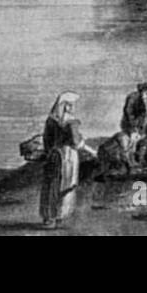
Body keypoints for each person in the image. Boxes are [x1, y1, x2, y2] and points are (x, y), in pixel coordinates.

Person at [39, 91, 85, 228]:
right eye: (71, 105)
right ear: (66, 106)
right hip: (67, 157)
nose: (72, 108)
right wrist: (82, 143)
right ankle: (58, 216)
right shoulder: (71, 122)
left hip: (53, 155)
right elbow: (76, 143)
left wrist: (50, 152)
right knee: (65, 186)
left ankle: (49, 218)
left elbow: (46, 141)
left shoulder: (51, 120)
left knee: (51, 186)